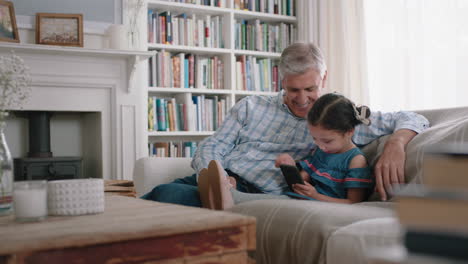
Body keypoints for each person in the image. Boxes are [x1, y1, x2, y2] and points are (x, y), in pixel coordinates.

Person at [141, 42, 429, 206]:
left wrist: (396, 142)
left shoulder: (337, 117)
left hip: (252, 194)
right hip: (218, 181)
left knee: (164, 198)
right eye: (294, 91)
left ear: (323, 80)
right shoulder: (250, 106)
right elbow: (214, 145)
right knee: (148, 200)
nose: (303, 100)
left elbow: (412, 118)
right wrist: (214, 174)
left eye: (310, 89)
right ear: (281, 80)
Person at [198, 93, 375, 209]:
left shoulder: (355, 160)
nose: (320, 146)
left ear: (349, 132)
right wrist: (289, 167)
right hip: (302, 199)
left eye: (327, 140)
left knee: (267, 204)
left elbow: (353, 202)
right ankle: (224, 195)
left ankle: (226, 198)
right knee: (274, 201)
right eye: (315, 139)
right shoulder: (324, 151)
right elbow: (304, 177)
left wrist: (315, 195)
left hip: (319, 204)